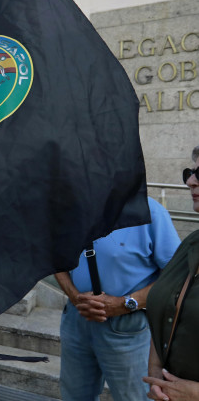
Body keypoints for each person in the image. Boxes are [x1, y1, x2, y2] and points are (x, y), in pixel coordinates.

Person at [54, 197, 180, 401]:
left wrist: (126, 303)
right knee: (74, 396)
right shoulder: (71, 209)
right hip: (77, 319)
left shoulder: (150, 212)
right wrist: (75, 297)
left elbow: (176, 276)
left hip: (127, 328)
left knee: (134, 397)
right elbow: (55, 259)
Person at [143, 147, 199, 401]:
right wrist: (156, 371)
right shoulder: (190, 244)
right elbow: (166, 310)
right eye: (190, 172)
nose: (190, 181)